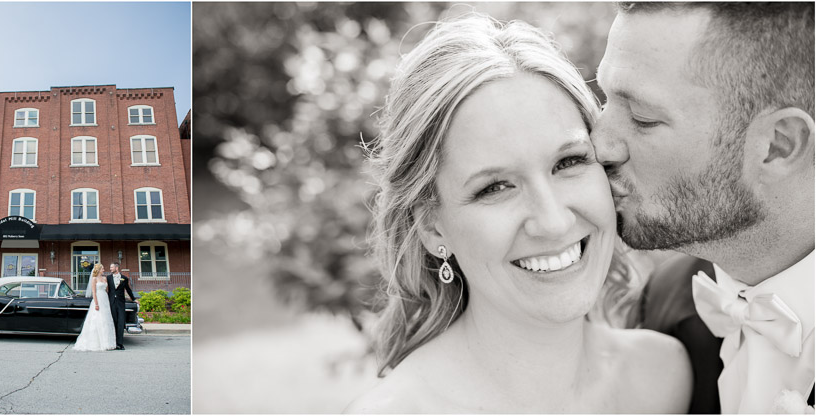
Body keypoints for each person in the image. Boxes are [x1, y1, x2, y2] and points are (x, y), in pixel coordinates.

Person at [346, 14, 691, 413]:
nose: (554, 222)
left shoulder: (663, 374)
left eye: (568, 163)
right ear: (431, 226)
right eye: (494, 188)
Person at [592, 3, 814, 413]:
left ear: (778, 146)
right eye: (605, 100)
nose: (599, 144)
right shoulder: (665, 303)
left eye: (642, 117)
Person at [73, 263, 117, 351]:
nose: (104, 270)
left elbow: (107, 290)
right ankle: (97, 342)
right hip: (98, 299)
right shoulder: (94, 279)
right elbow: (94, 292)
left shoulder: (105, 278)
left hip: (105, 298)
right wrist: (96, 304)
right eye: (102, 268)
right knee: (97, 318)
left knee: (106, 319)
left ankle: (107, 342)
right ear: (98, 269)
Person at [107, 262, 138, 350]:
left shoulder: (124, 278)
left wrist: (134, 299)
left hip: (120, 303)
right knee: (114, 322)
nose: (110, 269)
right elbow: (106, 290)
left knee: (121, 322)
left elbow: (128, 289)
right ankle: (113, 342)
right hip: (112, 302)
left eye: (111, 267)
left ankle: (119, 344)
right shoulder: (108, 278)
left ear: (117, 268)